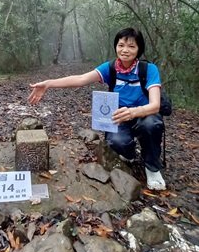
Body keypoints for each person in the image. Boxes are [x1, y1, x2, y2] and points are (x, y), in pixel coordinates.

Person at [28, 27, 166, 191]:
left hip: (144, 114)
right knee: (116, 142)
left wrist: (133, 112)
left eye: (131, 46)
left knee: (151, 125)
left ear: (139, 49)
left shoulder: (148, 70)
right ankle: (129, 153)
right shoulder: (111, 68)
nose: (125, 50)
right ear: (116, 46)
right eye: (121, 45)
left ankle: (152, 168)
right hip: (119, 116)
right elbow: (80, 79)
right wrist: (49, 83)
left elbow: (155, 105)